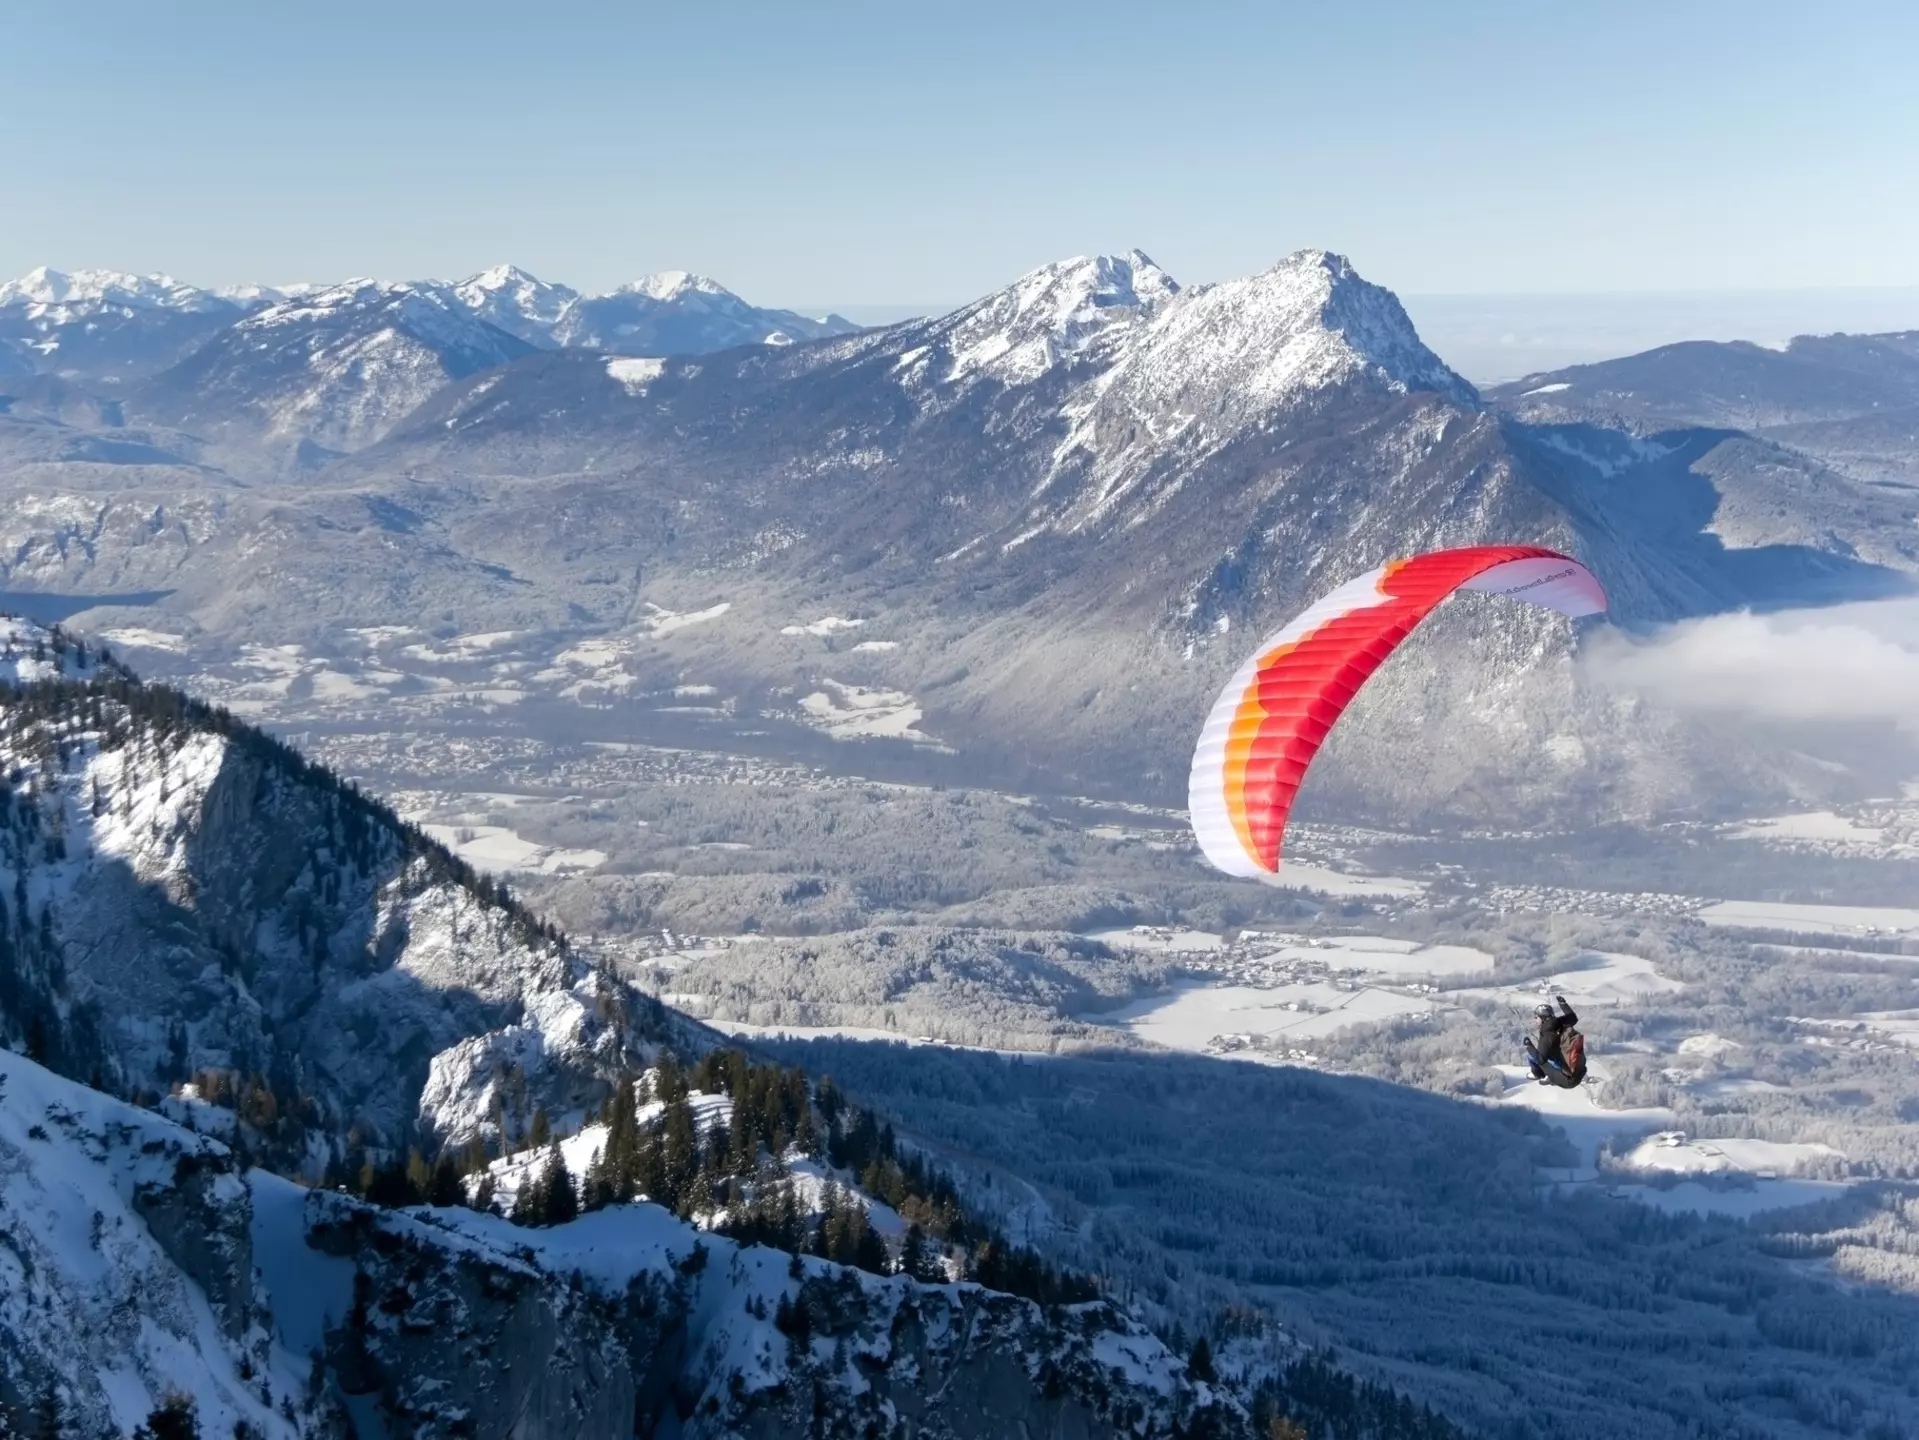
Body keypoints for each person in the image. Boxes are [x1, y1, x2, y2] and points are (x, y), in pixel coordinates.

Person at [1524, 995, 1584, 1087]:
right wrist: (1563, 1004)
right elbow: (1573, 1018)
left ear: (1543, 1018)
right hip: (1573, 1065)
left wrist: (1528, 1046)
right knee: (1549, 1053)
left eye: (1536, 1017)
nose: (1535, 1020)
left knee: (1532, 1056)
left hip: (1565, 1073)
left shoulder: (1547, 1035)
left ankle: (1539, 1075)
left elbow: (1540, 1059)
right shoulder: (1559, 1022)